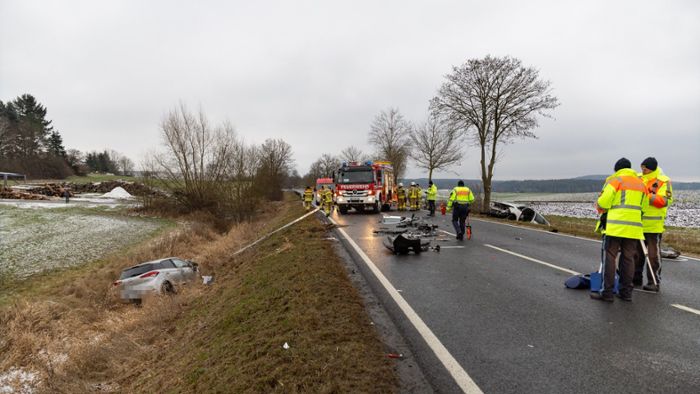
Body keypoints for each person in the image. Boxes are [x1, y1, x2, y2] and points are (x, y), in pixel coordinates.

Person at [591, 158, 648, 302]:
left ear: (617, 169)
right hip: (633, 229)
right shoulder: (641, 183)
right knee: (628, 259)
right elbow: (645, 207)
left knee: (609, 258)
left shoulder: (615, 181)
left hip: (615, 227)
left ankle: (607, 293)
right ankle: (626, 293)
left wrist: (599, 203)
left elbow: (603, 202)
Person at [634, 157, 672, 292]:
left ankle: (653, 281)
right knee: (635, 253)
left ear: (652, 168)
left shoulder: (663, 181)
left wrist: (647, 195)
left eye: (645, 168)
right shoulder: (637, 177)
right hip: (637, 223)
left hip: (654, 225)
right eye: (642, 167)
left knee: (653, 255)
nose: (643, 170)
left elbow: (664, 201)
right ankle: (635, 278)